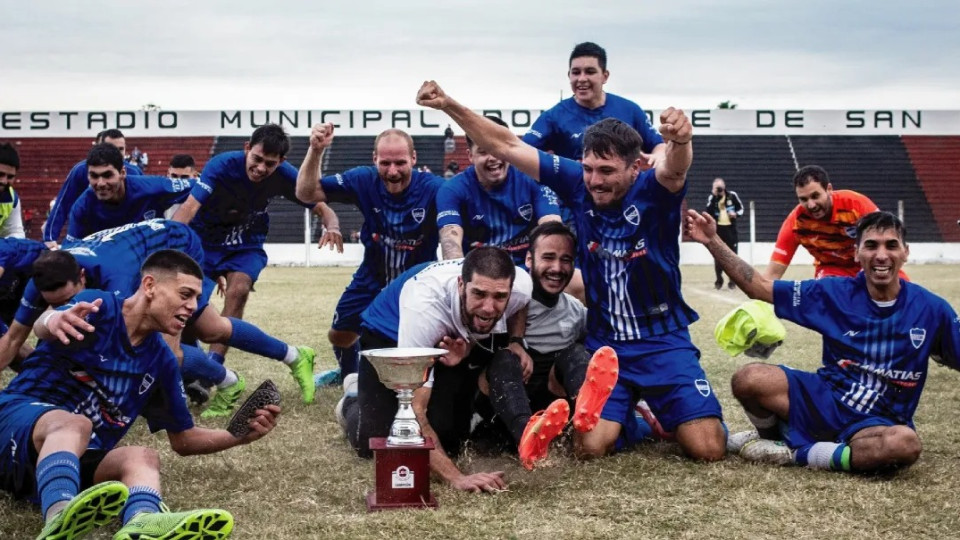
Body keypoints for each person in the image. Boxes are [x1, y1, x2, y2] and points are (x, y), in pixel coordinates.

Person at [417, 81, 726, 462]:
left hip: (663, 338)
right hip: (607, 344)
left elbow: (676, 168)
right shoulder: (577, 183)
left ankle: (669, 412)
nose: (595, 180)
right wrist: (449, 105)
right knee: (591, 448)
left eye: (607, 171)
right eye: (590, 168)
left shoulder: (655, 190)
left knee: (708, 449)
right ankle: (638, 419)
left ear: (634, 168)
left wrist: (681, 141)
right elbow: (508, 146)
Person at [0, 249, 280, 539]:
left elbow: (183, 440)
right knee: (74, 423)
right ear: (149, 286)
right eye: (185, 294)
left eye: (197, 299)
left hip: (57, 467)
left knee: (142, 456)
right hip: (14, 426)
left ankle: (143, 521)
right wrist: (52, 321)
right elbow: (47, 322)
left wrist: (237, 436)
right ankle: (59, 517)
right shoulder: (100, 307)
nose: (193, 306)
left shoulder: (161, 361)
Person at [686, 209, 960, 472]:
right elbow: (759, 287)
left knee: (904, 444)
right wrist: (712, 240)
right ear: (857, 252)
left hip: (878, 422)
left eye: (891, 245)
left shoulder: (932, 309)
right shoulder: (833, 293)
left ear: (905, 252)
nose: (881, 255)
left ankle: (797, 454)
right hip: (825, 399)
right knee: (749, 379)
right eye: (871, 245)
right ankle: (770, 438)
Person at [337, 247, 532, 493]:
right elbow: (414, 409)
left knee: (449, 438)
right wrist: (457, 478)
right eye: (479, 294)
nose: (489, 307)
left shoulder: (522, 284)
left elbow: (521, 305)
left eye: (500, 297)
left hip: (448, 335)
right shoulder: (423, 310)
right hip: (389, 328)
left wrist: (516, 341)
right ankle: (352, 399)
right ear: (461, 284)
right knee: (376, 441)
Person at [172, 124, 321, 397]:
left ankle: (214, 371)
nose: (262, 168)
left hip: (245, 243)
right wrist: (169, 248)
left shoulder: (286, 175)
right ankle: (198, 374)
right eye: (257, 159)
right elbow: (189, 208)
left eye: (270, 163)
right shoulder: (221, 166)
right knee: (190, 313)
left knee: (237, 291)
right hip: (205, 245)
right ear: (246, 149)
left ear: (281, 162)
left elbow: (317, 200)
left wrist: (332, 222)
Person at [295, 123, 444, 386]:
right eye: (385, 163)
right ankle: (348, 374)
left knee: (410, 339)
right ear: (374, 159)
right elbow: (306, 193)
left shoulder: (434, 188)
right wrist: (315, 150)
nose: (393, 171)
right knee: (339, 335)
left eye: (400, 162)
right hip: (372, 275)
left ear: (414, 159)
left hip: (418, 281)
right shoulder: (363, 180)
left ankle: (422, 384)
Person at [437, 115, 561, 265]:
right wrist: (457, 275)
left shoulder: (533, 178)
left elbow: (551, 227)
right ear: (470, 156)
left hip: (529, 272)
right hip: (479, 276)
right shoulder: (453, 189)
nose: (493, 157)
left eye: (498, 149)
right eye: (483, 151)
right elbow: (450, 241)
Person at [522, 42, 665, 166]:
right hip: (576, 195)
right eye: (576, 72)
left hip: (624, 195)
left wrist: (658, 156)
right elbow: (522, 150)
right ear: (569, 75)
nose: (582, 79)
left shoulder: (630, 110)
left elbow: (659, 145)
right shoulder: (553, 117)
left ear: (605, 76)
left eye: (590, 72)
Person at [764, 165, 894, 280]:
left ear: (829, 189)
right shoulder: (796, 222)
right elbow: (773, 274)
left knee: (903, 295)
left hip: (868, 265)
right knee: (826, 294)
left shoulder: (857, 205)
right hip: (830, 270)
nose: (811, 205)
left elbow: (887, 243)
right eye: (803, 199)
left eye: (815, 196)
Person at [64, 143, 194, 242]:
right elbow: (72, 252)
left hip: (153, 263)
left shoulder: (152, 188)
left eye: (107, 175)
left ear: (122, 173)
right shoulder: (82, 207)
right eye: (94, 176)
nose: (101, 183)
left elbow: (201, 186)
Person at [43, 129, 143, 248]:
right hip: (89, 236)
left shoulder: (134, 172)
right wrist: (50, 237)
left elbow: (145, 203)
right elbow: (63, 204)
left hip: (124, 237)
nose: (116, 153)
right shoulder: (80, 170)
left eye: (121, 149)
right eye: (111, 147)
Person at [705, 177, 744, 289]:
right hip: (718, 230)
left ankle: (732, 282)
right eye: (716, 187)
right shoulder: (712, 198)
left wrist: (736, 214)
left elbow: (741, 208)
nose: (719, 189)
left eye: (720, 186)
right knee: (718, 256)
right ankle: (719, 280)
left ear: (724, 186)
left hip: (730, 230)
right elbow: (708, 211)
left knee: (732, 256)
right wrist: (713, 196)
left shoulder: (732, 195)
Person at [0, 142, 26, 239]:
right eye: (0, 174)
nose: (4, 181)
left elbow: (15, 233)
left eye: (10, 177)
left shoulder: (12, 198)